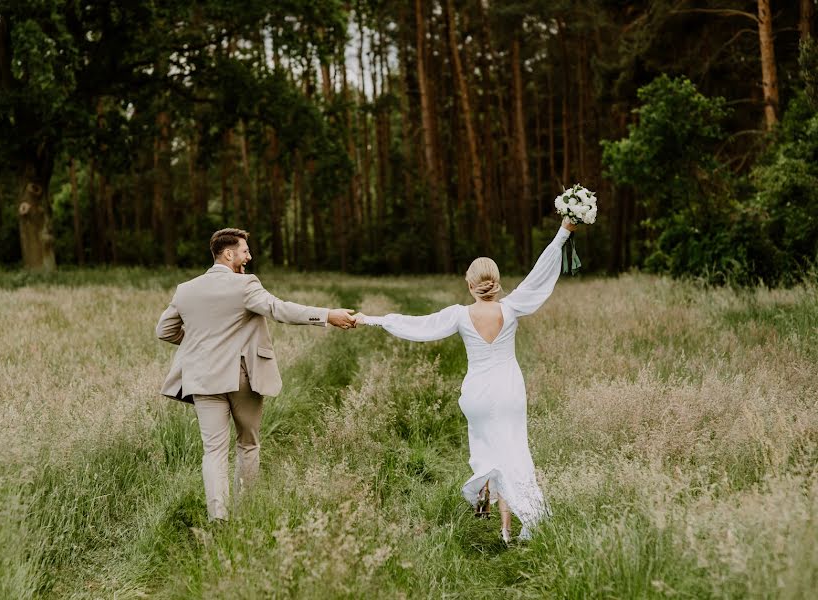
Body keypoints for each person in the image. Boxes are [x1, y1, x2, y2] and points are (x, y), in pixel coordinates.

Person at [354, 218, 578, 543]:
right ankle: (515, 524)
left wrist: (370, 319)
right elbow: (539, 275)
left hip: (478, 396)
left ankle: (490, 504)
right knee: (514, 451)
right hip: (510, 391)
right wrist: (563, 232)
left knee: (488, 450)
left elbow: (416, 325)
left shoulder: (460, 315)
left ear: (470, 285)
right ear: (497, 283)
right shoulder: (512, 308)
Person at [156, 228, 356, 522]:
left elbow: (164, 331)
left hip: (202, 378)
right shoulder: (245, 285)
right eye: (245, 251)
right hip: (241, 376)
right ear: (228, 254)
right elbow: (279, 309)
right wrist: (327, 315)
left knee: (213, 450)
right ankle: (245, 511)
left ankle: (218, 518)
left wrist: (201, 343)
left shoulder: (186, 289)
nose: (249, 257)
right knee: (247, 443)